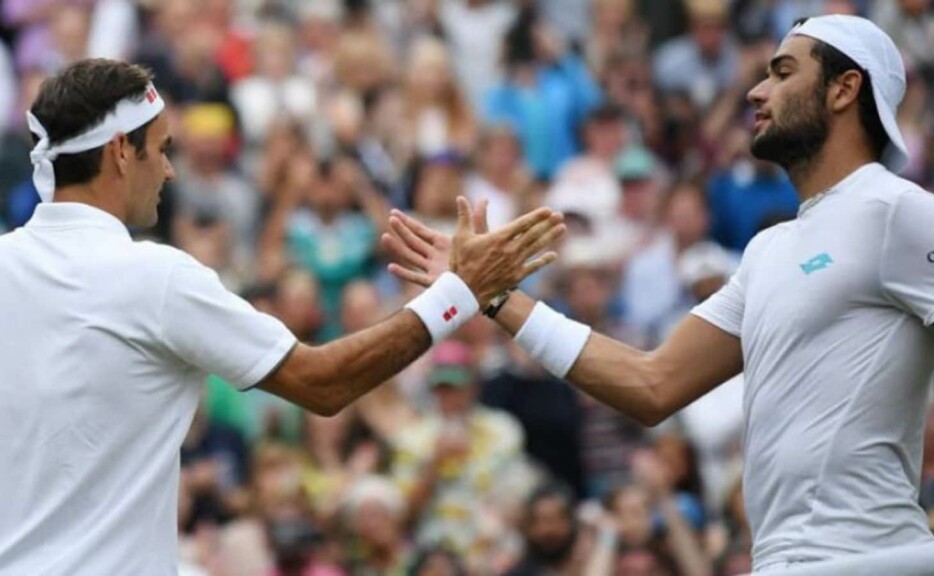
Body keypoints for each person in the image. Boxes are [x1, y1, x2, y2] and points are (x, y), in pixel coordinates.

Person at [383, 15, 934, 572]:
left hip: (875, 561)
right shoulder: (769, 251)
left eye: (781, 72)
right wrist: (490, 293)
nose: (756, 89)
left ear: (844, 89)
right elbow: (651, 383)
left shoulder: (904, 213)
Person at [0, 58, 565, 575]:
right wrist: (460, 293)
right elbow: (322, 383)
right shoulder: (154, 276)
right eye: (163, 148)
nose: (170, 171)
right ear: (122, 152)